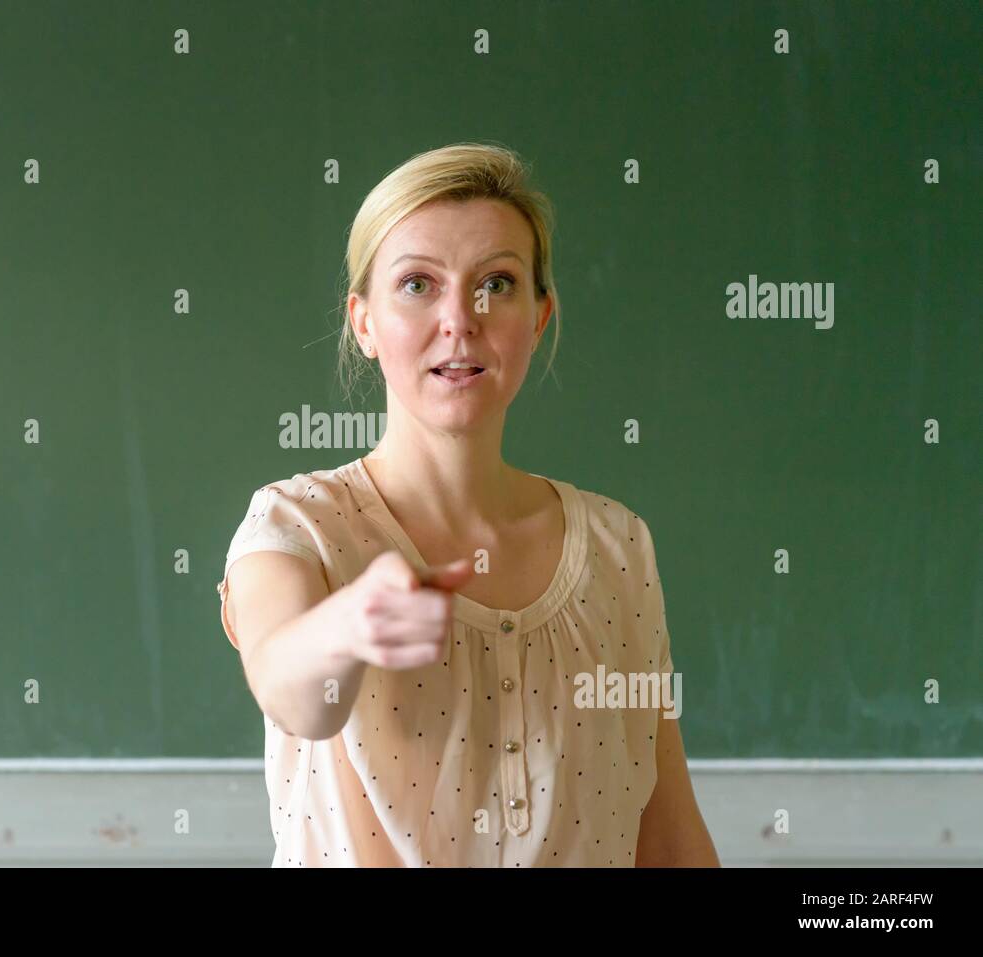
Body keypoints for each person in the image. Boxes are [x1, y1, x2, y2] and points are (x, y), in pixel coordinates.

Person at [216, 142, 718, 867]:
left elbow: (669, 838)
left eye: (497, 284)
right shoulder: (296, 525)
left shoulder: (620, 546)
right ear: (362, 322)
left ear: (539, 317)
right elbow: (294, 691)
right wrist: (353, 623)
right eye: (418, 284)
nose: (460, 318)